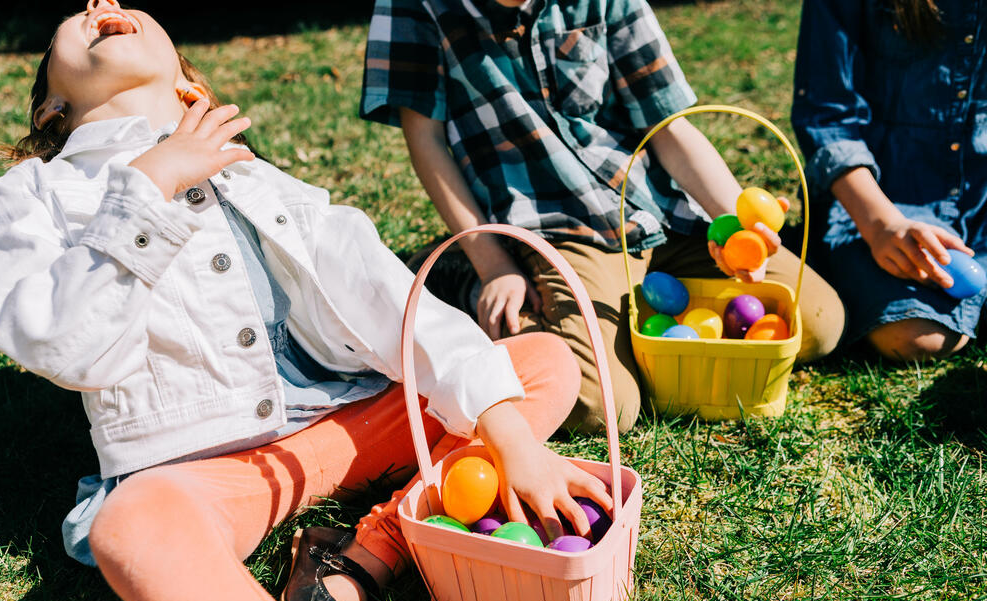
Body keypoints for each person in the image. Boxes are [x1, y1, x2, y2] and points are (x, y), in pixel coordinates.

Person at [0, 2, 613, 601]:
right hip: (208, 475)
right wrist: (151, 182)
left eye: (123, 5)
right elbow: (55, 344)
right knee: (133, 525)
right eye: (70, 22)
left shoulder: (257, 178)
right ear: (51, 105)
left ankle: (364, 558)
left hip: (345, 428)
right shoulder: (37, 192)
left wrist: (510, 437)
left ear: (190, 87)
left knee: (539, 362)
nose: (100, 4)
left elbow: (388, 300)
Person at [360, 0, 845, 434]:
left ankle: (626, 321)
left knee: (818, 321)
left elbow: (669, 125)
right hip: (559, 229)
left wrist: (732, 222)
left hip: (660, 213)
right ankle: (462, 280)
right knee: (601, 407)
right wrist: (493, 265)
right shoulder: (414, 7)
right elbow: (426, 141)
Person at [791, 0, 986, 361]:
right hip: (884, 203)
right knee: (916, 337)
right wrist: (882, 224)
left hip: (981, 200)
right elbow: (827, 116)